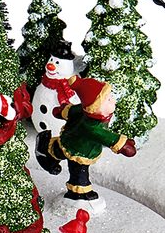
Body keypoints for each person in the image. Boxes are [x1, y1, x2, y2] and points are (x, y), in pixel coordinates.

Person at [35, 76, 136, 212]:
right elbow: (106, 136)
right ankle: (78, 192)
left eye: (110, 97)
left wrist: (63, 111)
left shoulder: (88, 112)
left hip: (76, 143)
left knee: (62, 154)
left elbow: (73, 111)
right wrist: (122, 145)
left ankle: (47, 151)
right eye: (108, 100)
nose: (113, 100)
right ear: (95, 108)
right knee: (79, 172)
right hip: (78, 150)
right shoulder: (92, 126)